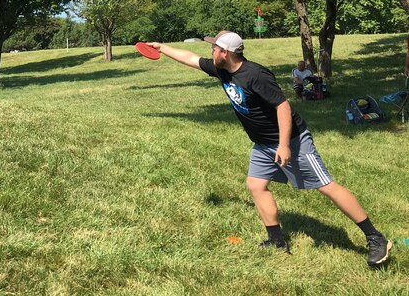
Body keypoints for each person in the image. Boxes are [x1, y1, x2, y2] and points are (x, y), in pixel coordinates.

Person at [144, 30, 391, 266]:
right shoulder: (222, 70)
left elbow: (282, 107)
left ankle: (375, 237)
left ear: (226, 53)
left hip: (293, 139)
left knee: (325, 186)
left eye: (214, 48)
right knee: (256, 185)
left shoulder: (256, 75)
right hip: (263, 143)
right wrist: (162, 48)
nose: (211, 52)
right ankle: (277, 241)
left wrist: (284, 146)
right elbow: (190, 58)